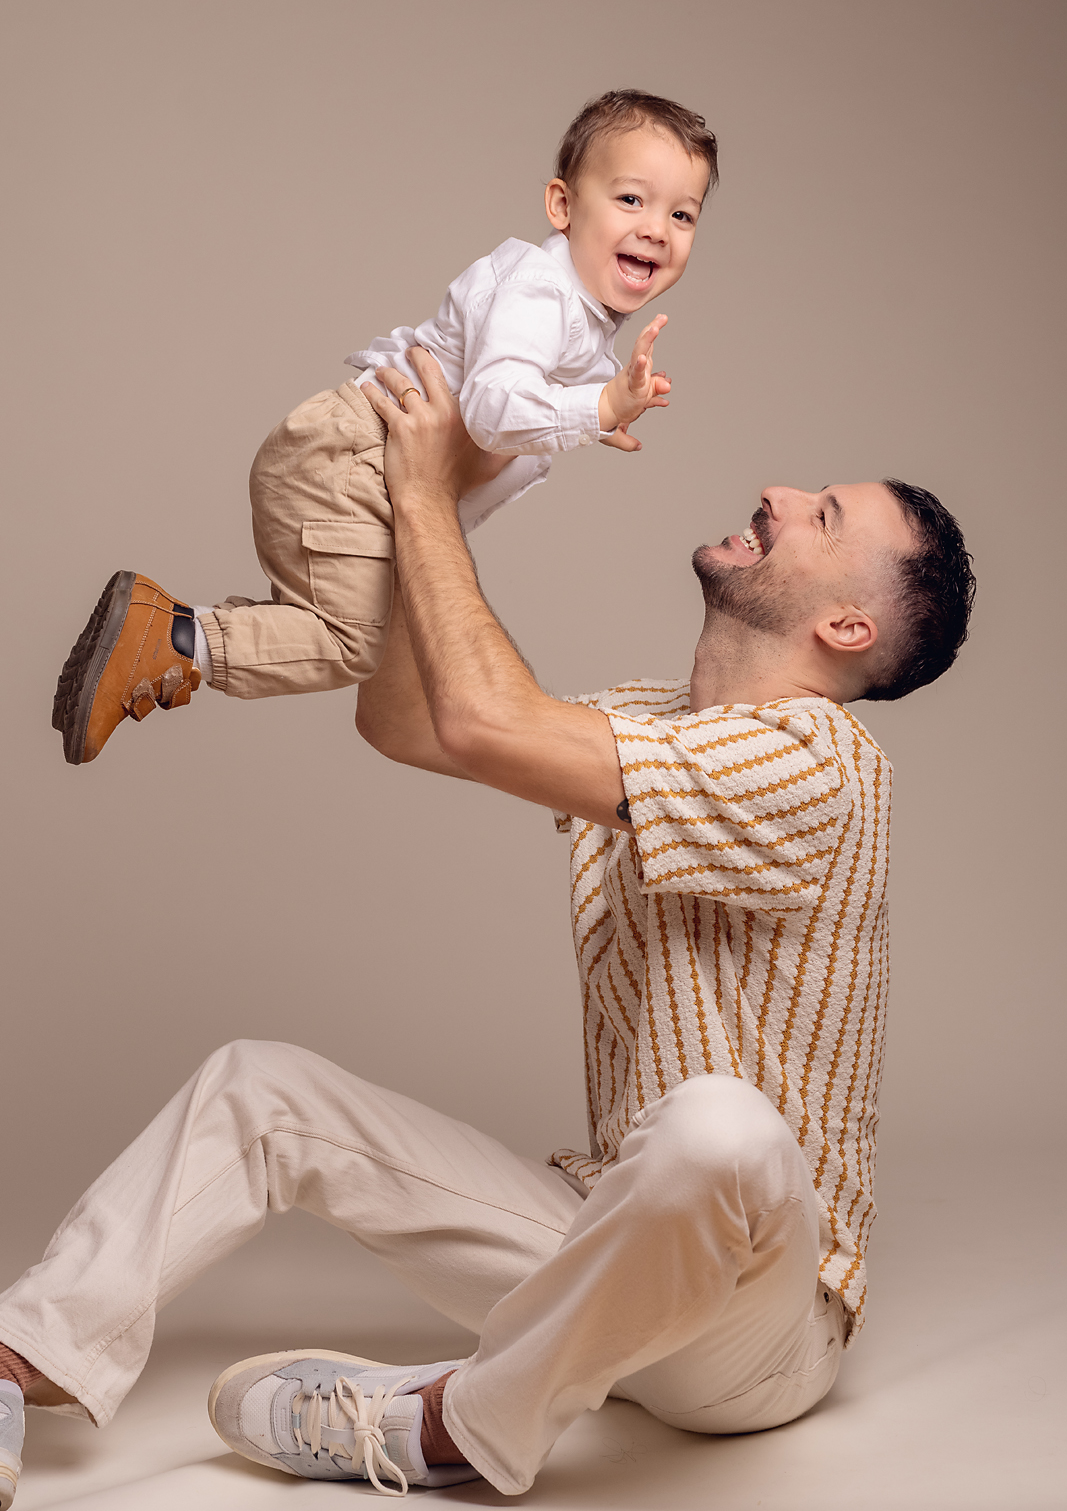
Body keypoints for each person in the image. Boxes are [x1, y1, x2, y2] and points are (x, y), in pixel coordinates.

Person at [0, 351, 975, 1506]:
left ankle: (452, 1427)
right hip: (606, 1247)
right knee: (258, 1089)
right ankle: (21, 1358)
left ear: (848, 623)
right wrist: (425, 496)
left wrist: (423, 497)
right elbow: (414, 719)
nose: (775, 493)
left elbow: (480, 712)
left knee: (720, 1128)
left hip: (758, 1325)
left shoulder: (822, 763)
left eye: (819, 515)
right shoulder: (642, 723)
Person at [52, 89, 717, 766]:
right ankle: (170, 637)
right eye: (631, 200)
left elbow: (519, 385)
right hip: (356, 459)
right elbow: (491, 410)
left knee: (340, 633)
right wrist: (594, 410)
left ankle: (169, 641)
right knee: (348, 642)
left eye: (681, 213)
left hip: (360, 463)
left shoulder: (571, 311)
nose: (657, 228)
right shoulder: (539, 292)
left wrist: (594, 410)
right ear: (562, 206)